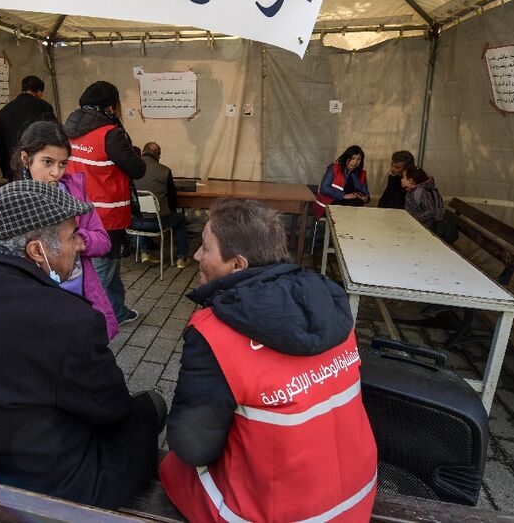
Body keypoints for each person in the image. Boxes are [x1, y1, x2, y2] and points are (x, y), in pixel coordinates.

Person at [0, 180, 165, 509]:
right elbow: (112, 409)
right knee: (150, 406)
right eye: (72, 235)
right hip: (43, 490)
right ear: (37, 251)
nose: (80, 245)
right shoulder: (69, 319)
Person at [160, 198, 378, 522]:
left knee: (171, 466)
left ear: (238, 265)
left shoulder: (214, 333)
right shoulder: (331, 303)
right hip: (357, 498)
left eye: (205, 247)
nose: (196, 255)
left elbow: (193, 446)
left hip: (276, 515)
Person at [5, 120, 119, 339]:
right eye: (47, 162)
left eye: (63, 163)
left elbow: (103, 241)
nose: (55, 172)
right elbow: (5, 263)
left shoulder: (75, 193)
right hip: (35, 302)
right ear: (25, 158)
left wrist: (75, 239)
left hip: (80, 292)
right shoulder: (9, 203)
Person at [63, 81, 145, 326]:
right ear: (111, 106)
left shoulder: (67, 129)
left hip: (74, 211)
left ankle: (118, 310)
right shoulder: (110, 133)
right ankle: (91, 319)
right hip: (105, 215)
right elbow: (137, 169)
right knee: (102, 271)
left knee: (105, 266)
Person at [130, 142, 191, 268]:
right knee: (179, 219)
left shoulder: (132, 169)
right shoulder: (165, 171)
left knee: (142, 214)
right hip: (157, 223)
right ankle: (182, 257)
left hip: (133, 222)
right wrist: (170, 212)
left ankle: (145, 252)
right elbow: (172, 200)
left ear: (143, 152)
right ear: (157, 155)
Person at [0, 75, 56, 180]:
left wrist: (6, 171)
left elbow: (0, 146)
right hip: (39, 167)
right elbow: (53, 136)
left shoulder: (5, 111)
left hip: (14, 168)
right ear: (39, 92)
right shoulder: (43, 106)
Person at [313, 144, 370, 219]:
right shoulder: (333, 168)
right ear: (346, 157)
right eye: (353, 158)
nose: (355, 162)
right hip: (329, 206)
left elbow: (366, 194)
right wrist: (343, 195)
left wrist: (366, 198)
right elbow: (324, 188)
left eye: (358, 159)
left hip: (351, 209)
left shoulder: (361, 174)